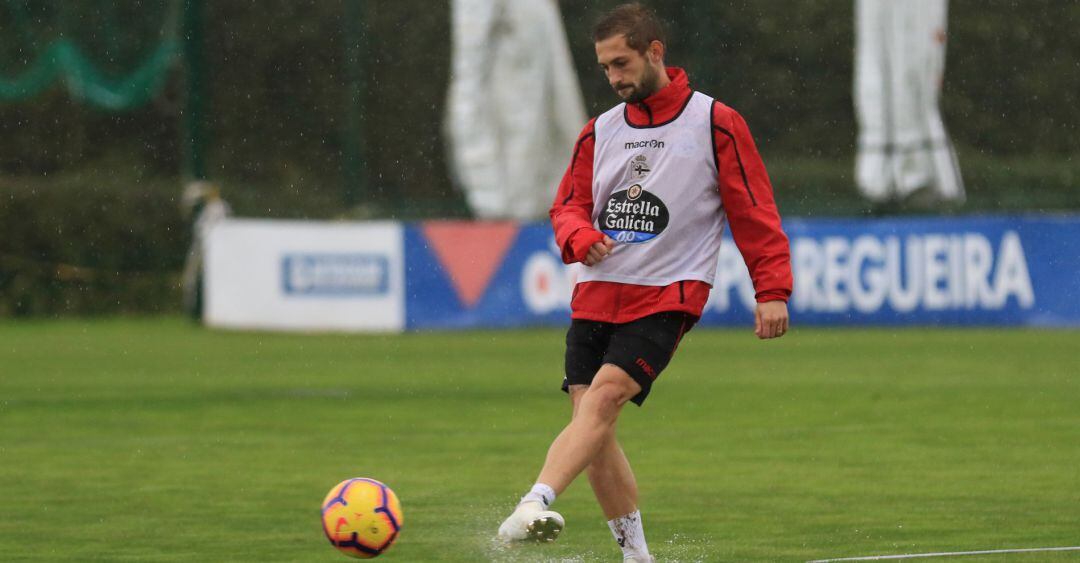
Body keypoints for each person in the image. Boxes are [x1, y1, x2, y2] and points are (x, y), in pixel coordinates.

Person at [496, 3, 793, 561]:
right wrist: (580, 237)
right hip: (596, 294)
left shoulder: (715, 122)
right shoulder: (599, 132)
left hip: (668, 293)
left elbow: (754, 211)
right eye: (605, 68)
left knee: (604, 398)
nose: (614, 78)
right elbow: (567, 207)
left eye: (622, 63)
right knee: (594, 425)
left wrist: (771, 289)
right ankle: (637, 557)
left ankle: (533, 501)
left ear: (655, 52)